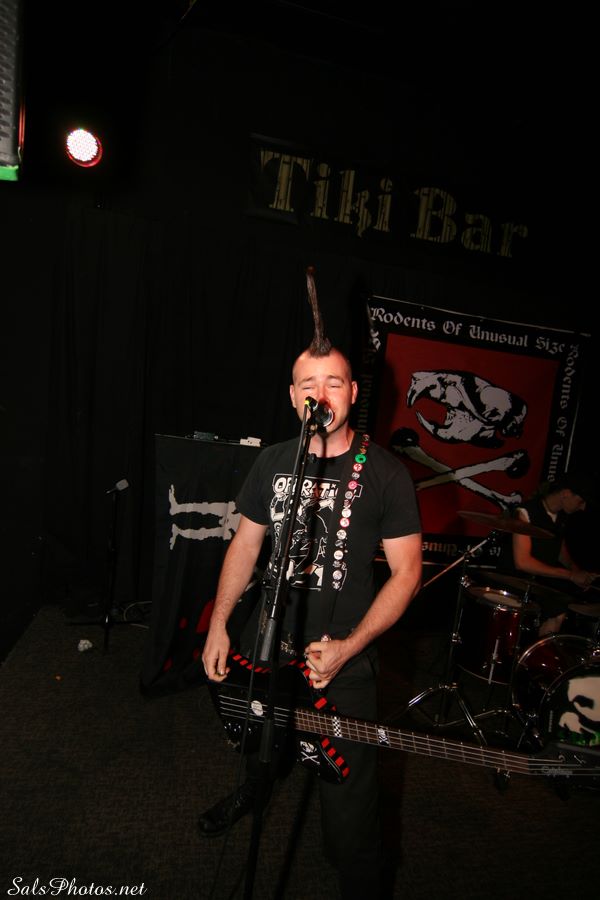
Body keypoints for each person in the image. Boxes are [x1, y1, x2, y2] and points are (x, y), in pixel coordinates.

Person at [199, 342, 422, 898]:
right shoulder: (273, 460)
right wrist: (220, 623)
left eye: (333, 383)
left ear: (353, 392)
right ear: (293, 396)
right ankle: (256, 788)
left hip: (339, 664)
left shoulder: (387, 473)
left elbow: (406, 574)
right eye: (308, 385)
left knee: (350, 811)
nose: (320, 395)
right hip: (267, 645)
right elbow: (246, 545)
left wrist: (352, 645)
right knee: (260, 739)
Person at [510, 474, 598, 635]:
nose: (583, 507)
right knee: (556, 609)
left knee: (565, 605)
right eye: (581, 501)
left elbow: (559, 551)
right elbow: (522, 562)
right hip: (515, 581)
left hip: (540, 583)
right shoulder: (525, 512)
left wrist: (576, 571)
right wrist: (571, 575)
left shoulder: (562, 516)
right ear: (566, 494)